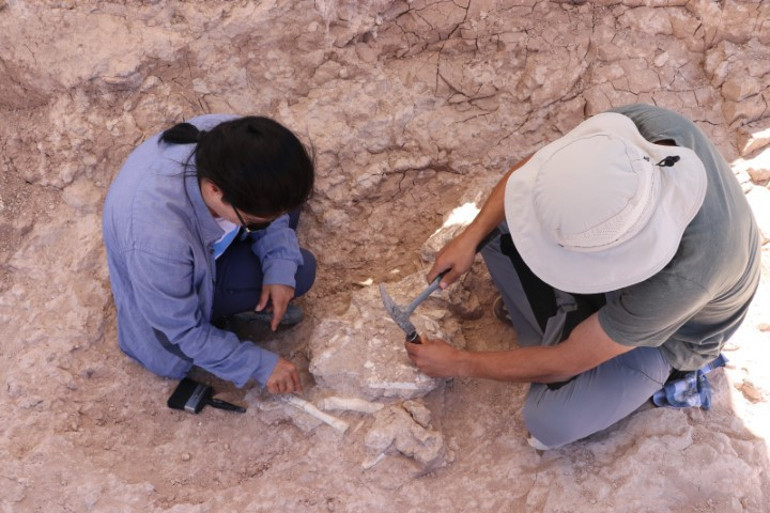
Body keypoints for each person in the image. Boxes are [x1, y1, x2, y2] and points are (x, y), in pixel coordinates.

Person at [406, 104, 761, 449]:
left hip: (670, 335)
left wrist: (460, 363)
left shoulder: (685, 276)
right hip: (644, 285)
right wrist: (470, 236)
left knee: (551, 422)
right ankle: (566, 322)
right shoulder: (639, 129)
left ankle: (569, 327)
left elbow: (567, 362)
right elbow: (537, 172)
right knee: (500, 226)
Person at [103, 114, 316, 394]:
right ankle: (232, 313)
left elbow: (275, 214)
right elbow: (181, 333)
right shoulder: (160, 243)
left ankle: (250, 249)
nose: (274, 220)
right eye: (256, 221)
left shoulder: (233, 142)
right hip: (172, 282)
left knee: (284, 204)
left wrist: (279, 264)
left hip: (203, 241)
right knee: (303, 270)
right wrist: (259, 365)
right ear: (215, 190)